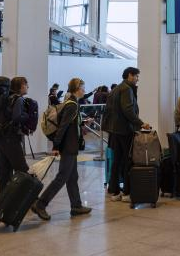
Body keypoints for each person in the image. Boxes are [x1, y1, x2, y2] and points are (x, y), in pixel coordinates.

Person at [32, 78, 93, 220]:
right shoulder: (72, 105)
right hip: (68, 146)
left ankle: (76, 206)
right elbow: (63, 126)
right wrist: (56, 146)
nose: (84, 90)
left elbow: (70, 124)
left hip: (70, 145)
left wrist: (83, 122)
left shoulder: (71, 102)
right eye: (83, 87)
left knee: (72, 177)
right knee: (62, 177)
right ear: (77, 88)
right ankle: (40, 204)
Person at [102, 67, 147, 202]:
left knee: (117, 160)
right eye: (136, 76)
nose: (138, 79)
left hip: (115, 131)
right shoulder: (127, 89)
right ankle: (127, 192)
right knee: (128, 160)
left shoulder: (116, 89)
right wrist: (141, 123)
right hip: (124, 130)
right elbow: (128, 110)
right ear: (130, 75)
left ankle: (115, 191)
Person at [0, 76, 31, 194]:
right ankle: (27, 199)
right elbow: (16, 118)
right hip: (11, 139)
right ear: (20, 87)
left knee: (5, 173)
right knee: (23, 169)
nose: (27, 86)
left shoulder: (6, 98)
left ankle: (1, 201)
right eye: (26, 84)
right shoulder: (18, 99)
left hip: (0, 138)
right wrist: (28, 115)